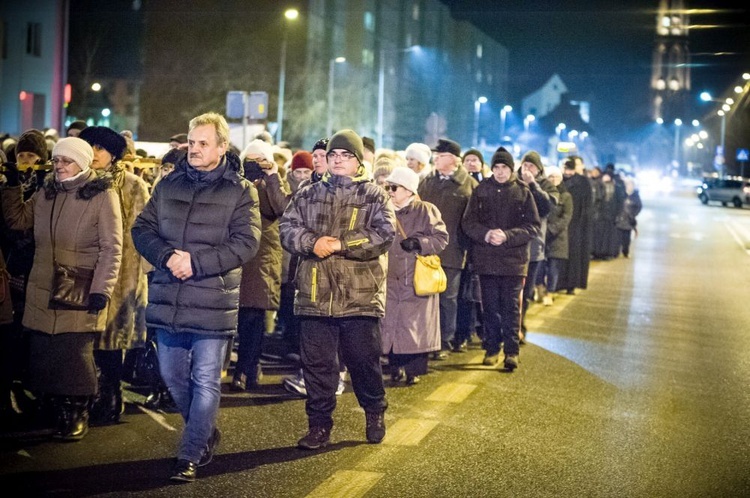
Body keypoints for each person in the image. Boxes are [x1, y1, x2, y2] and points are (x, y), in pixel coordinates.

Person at [131, 112, 261, 483]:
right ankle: (203, 432)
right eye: (192, 142)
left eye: (204, 143)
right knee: (172, 376)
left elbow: (247, 242)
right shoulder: (168, 184)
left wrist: (197, 262)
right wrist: (167, 256)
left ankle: (189, 453)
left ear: (222, 148)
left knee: (205, 379)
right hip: (169, 296)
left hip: (213, 301)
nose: (195, 149)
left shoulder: (241, 190)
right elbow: (142, 229)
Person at [279, 129, 395, 450]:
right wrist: (312, 242)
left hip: (360, 295)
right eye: (334, 155)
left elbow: (384, 233)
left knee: (363, 361)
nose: (339, 160)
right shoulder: (307, 193)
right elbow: (287, 229)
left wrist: (342, 244)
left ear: (358, 160)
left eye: (346, 155)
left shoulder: (375, 195)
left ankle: (374, 411)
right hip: (314, 295)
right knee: (317, 367)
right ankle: (318, 426)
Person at [1, 137, 123, 440]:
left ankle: (76, 411)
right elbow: (17, 220)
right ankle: (53, 408)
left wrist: (101, 289)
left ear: (81, 162)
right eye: (56, 161)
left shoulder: (102, 194)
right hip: (43, 282)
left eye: (66, 161)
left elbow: (112, 248)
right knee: (45, 349)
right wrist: (13, 185)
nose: (59, 166)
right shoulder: (47, 192)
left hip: (79, 285)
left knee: (73, 352)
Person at [78, 126, 150, 425]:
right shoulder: (76, 184)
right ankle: (84, 396)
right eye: (89, 148)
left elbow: (142, 234)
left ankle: (110, 395)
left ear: (113, 154)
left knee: (111, 343)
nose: (94, 155)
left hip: (123, 274)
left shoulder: (133, 186)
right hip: (82, 271)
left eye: (100, 148)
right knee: (84, 341)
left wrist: (135, 276)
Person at [462, 147, 540, 371]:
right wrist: (486, 234)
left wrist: (508, 235)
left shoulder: (523, 192)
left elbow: (532, 226)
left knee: (511, 308)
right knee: (489, 307)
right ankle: (492, 348)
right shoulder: (482, 190)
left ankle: (511, 351)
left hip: (513, 261)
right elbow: (468, 222)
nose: (500, 171)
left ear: (511, 168)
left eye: (504, 167)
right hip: (487, 259)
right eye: (496, 167)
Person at [232, 139, 291, 391]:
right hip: (236, 251)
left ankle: (246, 368)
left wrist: (270, 178)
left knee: (253, 315)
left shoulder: (276, 182)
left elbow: (282, 209)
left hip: (263, 253)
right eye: (250, 161)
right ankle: (245, 366)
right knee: (237, 316)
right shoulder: (235, 181)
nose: (254, 165)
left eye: (260, 160)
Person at [381, 167, 448, 385]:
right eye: (387, 187)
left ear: (409, 190)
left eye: (394, 187)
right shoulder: (383, 210)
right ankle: (394, 368)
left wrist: (420, 243)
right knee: (390, 324)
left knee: (414, 327)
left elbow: (441, 238)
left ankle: (413, 371)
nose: (389, 191)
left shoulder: (426, 210)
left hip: (416, 279)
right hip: (389, 278)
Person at [418, 138, 477, 358]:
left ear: (452, 160)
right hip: (426, 248)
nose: (435, 159)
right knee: (424, 295)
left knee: (447, 298)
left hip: (453, 250)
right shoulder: (428, 182)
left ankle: (444, 340)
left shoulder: (468, 185)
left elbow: (472, 222)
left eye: (440, 156)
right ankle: (425, 340)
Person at [518, 150, 558, 342]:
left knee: (526, 292)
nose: (527, 169)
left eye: (531, 166)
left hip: (534, 248)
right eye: (524, 165)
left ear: (539, 169)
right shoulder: (513, 182)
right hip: (512, 247)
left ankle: (520, 327)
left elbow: (547, 207)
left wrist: (533, 185)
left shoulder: (547, 186)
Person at [558, 155, 594, 294]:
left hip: (576, 225)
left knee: (573, 256)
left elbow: (587, 207)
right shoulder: (559, 180)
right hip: (562, 224)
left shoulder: (583, 182)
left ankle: (570, 284)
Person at [543, 166, 573, 300]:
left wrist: (551, 229)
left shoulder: (566, 196)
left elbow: (566, 217)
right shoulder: (542, 193)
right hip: (542, 235)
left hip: (557, 237)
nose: (553, 179)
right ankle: (540, 288)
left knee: (553, 268)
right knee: (540, 267)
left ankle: (550, 292)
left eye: (556, 177)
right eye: (551, 176)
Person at [615, 177, 642, 258]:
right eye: (627, 184)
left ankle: (625, 251)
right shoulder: (621, 194)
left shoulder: (635, 196)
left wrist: (633, 214)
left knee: (626, 238)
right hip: (620, 218)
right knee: (618, 237)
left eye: (630, 185)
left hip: (629, 220)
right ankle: (617, 251)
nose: (629, 186)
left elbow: (639, 206)